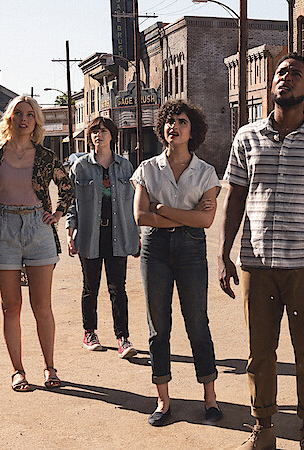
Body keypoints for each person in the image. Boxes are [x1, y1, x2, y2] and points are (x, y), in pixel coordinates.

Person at [217, 53, 304, 450]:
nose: (285, 78)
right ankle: (263, 428)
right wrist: (224, 254)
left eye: (295, 74)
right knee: (260, 352)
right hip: (256, 265)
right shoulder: (246, 137)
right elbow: (235, 198)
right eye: (280, 72)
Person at [0, 95, 74, 392]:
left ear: (36, 122)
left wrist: (58, 213)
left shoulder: (46, 156)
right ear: (8, 119)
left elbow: (67, 187)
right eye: (18, 113)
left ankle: (50, 367)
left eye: (30, 115)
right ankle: (18, 371)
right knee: (11, 306)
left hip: (38, 229)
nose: (24, 119)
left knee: (42, 305)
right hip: (3, 229)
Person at [130, 99, 222, 426]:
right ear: (162, 129)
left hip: (192, 249)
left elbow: (206, 222)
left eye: (181, 121)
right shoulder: (147, 170)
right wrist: (187, 217)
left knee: (197, 321)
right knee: (159, 326)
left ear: (191, 130)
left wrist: (164, 210)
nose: (175, 126)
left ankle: (210, 400)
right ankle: (163, 401)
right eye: (169, 122)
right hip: (155, 250)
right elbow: (141, 215)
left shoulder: (206, 172)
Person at [65, 117, 140, 359]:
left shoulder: (126, 167)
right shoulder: (81, 167)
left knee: (119, 288)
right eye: (95, 131)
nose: (99, 135)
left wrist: (137, 234)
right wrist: (70, 231)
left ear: (112, 135)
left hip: (118, 233)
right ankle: (90, 332)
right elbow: (70, 203)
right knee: (91, 287)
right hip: (90, 234)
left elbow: (133, 204)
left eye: (104, 131)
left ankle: (123, 337)